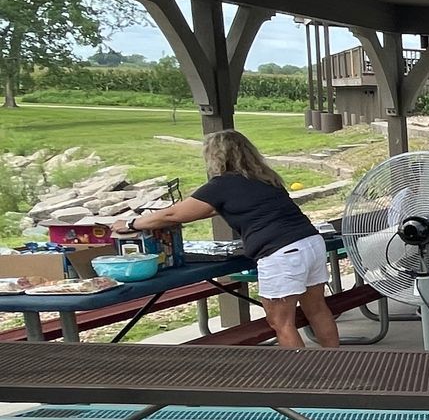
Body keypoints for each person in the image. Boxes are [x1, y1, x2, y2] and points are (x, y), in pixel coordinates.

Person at [128, 129, 339, 348]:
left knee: (281, 322)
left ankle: (302, 379)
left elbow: (173, 214)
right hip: (311, 243)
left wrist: (131, 224)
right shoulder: (266, 179)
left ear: (215, 157)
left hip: (281, 254)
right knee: (317, 309)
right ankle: (337, 365)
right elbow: (212, 210)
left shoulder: (221, 186)